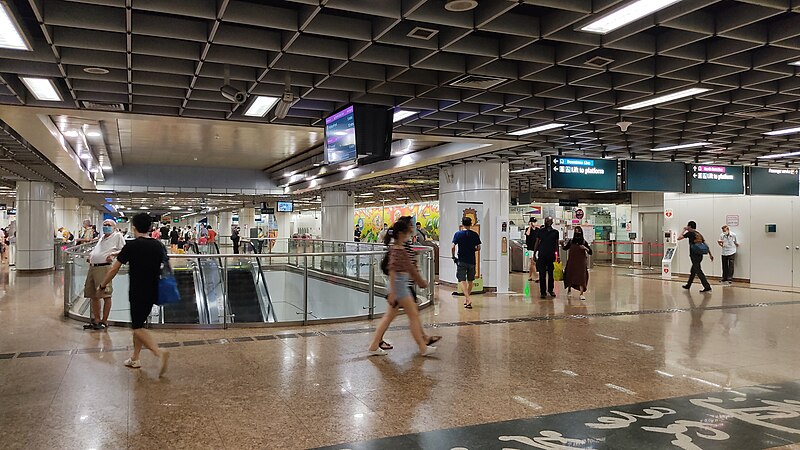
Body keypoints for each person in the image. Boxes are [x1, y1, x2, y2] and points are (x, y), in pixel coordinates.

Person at [97, 213, 170, 376]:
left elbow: (114, 268)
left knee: (137, 328)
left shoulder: (132, 246)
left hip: (137, 291)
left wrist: (102, 285)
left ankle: (159, 353)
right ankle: (135, 358)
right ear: (150, 228)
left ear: (134, 227)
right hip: (154, 289)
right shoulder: (158, 245)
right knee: (140, 323)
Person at [367, 217, 436, 357]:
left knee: (390, 317)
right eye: (406, 233)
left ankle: (374, 345)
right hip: (400, 288)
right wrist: (395, 291)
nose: (408, 235)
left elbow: (408, 269)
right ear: (400, 234)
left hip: (399, 287)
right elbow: (396, 270)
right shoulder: (399, 250)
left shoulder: (397, 248)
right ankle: (423, 347)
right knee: (413, 316)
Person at [83, 219, 126, 330]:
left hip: (104, 267)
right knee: (93, 294)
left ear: (114, 227)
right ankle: (96, 319)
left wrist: (113, 254)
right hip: (93, 267)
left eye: (109, 225)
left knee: (105, 294)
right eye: (104, 225)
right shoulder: (102, 237)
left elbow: (124, 250)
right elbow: (98, 249)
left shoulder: (117, 236)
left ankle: (104, 320)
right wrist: (91, 256)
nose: (106, 226)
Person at [451, 216, 481, 309]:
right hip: (472, 260)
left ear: (462, 223)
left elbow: (452, 247)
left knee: (462, 280)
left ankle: (468, 298)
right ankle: (467, 300)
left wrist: (453, 256)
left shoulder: (458, 234)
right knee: (470, 281)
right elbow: (479, 247)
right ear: (471, 224)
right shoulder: (475, 234)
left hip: (461, 260)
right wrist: (473, 250)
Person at [678, 221, 714, 292]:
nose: (687, 227)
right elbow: (705, 244)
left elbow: (679, 238)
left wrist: (684, 230)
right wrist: (710, 254)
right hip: (700, 255)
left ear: (690, 226)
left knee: (698, 271)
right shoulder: (698, 234)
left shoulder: (690, 233)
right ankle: (688, 285)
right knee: (693, 271)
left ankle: (707, 286)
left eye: (688, 226)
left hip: (694, 255)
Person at [562, 226, 593, 300]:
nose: (577, 233)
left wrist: (585, 248)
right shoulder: (571, 241)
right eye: (575, 231)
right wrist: (562, 244)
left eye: (578, 231)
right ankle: (569, 290)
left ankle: (581, 293)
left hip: (581, 263)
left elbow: (590, 252)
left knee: (581, 277)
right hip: (572, 261)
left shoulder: (584, 242)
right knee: (570, 275)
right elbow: (565, 248)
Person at [534, 217, 559, 299]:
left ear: (552, 222)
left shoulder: (555, 232)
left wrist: (557, 255)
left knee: (551, 274)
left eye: (549, 221)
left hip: (551, 255)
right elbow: (537, 242)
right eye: (546, 221)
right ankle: (543, 292)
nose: (548, 222)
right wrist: (534, 254)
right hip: (542, 255)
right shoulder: (540, 231)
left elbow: (556, 244)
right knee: (542, 274)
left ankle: (551, 290)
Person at [525, 217, 539, 282]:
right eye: (533, 222)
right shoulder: (527, 229)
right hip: (530, 248)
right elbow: (527, 234)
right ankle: (536, 276)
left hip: (536, 248)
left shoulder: (537, 230)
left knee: (533, 263)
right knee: (533, 262)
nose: (534, 223)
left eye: (535, 222)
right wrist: (530, 227)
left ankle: (530, 276)